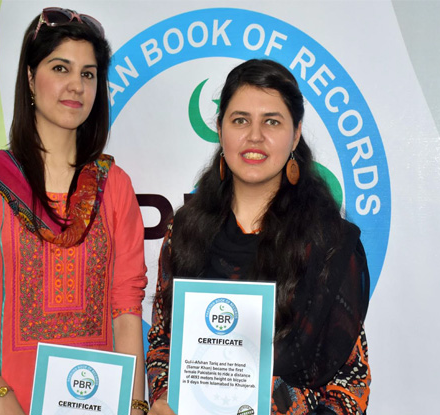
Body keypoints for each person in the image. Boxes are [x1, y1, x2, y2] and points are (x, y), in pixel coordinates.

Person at [0, 8, 149, 415]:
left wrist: (135, 404)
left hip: (98, 405)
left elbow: (126, 312)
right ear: (29, 76)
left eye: (88, 74)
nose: (76, 85)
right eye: (60, 67)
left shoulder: (114, 187)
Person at [146, 59, 371, 415]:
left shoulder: (329, 244)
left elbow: (350, 387)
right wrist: (164, 397)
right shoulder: (185, 231)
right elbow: (162, 343)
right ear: (220, 130)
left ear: (295, 134)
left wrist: (278, 402)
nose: (254, 136)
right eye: (240, 120)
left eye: (272, 121)